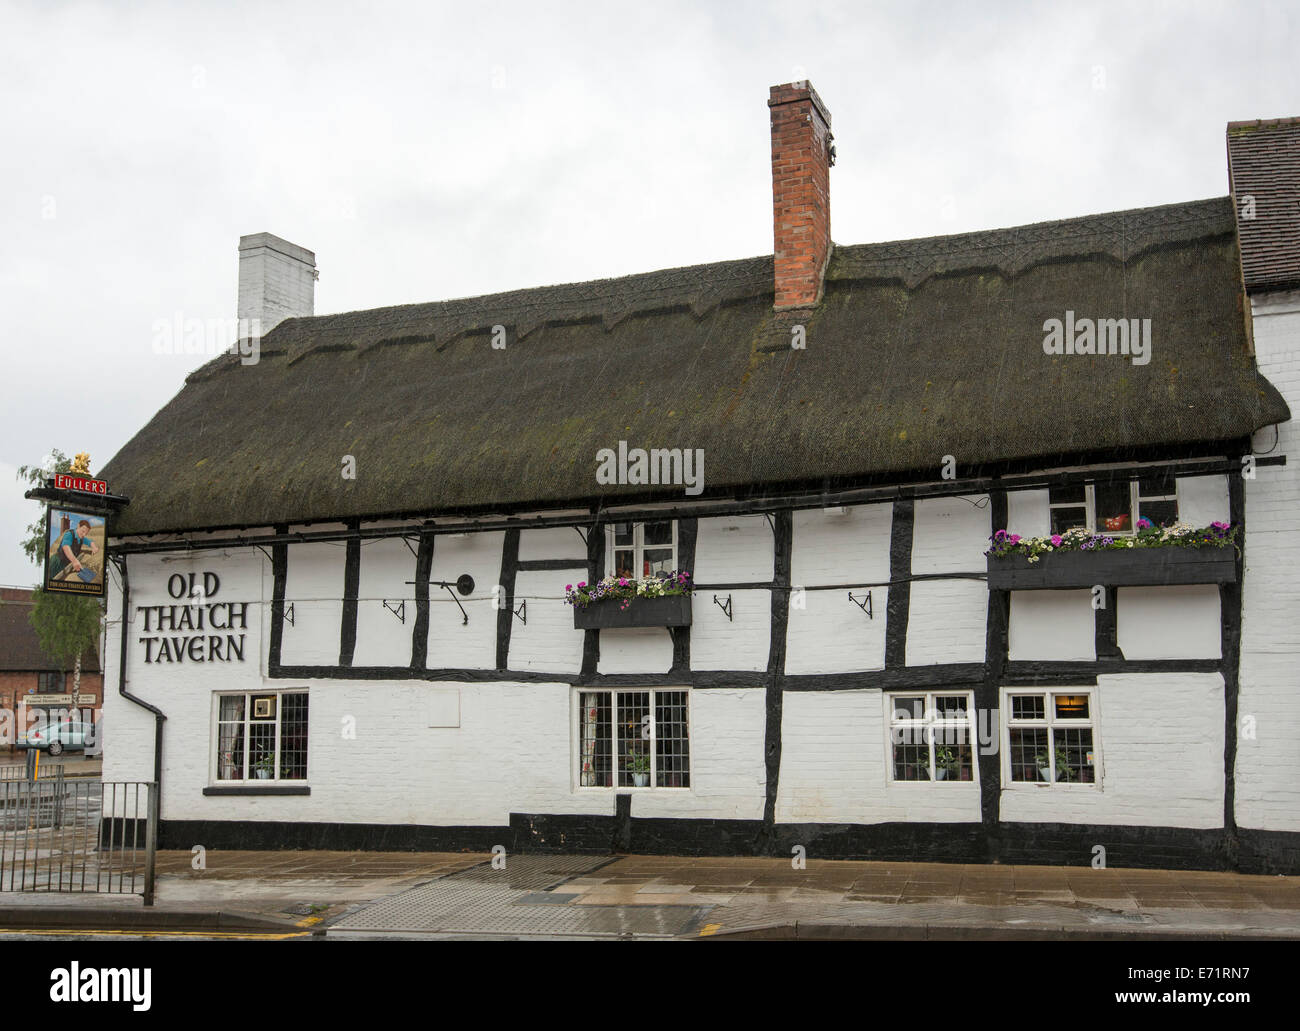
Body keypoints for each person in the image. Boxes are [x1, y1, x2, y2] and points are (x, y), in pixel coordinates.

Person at [48, 516, 97, 581]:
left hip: (67, 564)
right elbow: (66, 547)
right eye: (83, 531)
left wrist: (94, 547)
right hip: (57, 563)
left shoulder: (81, 537)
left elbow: (89, 541)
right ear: (78, 526)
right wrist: (74, 561)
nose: (84, 534)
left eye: (86, 533)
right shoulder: (69, 534)